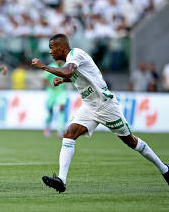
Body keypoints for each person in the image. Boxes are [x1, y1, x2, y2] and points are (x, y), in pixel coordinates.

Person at [31, 33, 169, 193]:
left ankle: (164, 169)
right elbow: (79, 76)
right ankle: (61, 181)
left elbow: (69, 72)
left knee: (131, 141)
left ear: (61, 47)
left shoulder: (76, 54)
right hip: (89, 106)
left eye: (51, 48)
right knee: (69, 133)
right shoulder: (72, 60)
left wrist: (43, 67)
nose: (50, 52)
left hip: (105, 106)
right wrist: (63, 80)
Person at [43, 60, 67, 138]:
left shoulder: (65, 66)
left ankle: (60, 130)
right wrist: (51, 86)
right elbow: (44, 79)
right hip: (52, 92)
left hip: (61, 92)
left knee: (61, 108)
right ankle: (47, 127)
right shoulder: (51, 67)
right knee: (50, 111)